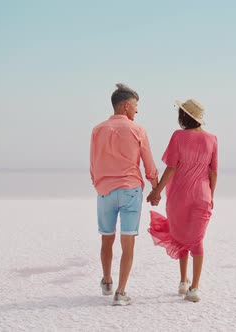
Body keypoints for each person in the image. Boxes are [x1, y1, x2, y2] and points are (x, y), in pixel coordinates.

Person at [90, 83, 158, 306]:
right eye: (136, 106)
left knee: (106, 239)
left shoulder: (98, 129)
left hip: (104, 192)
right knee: (128, 241)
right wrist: (156, 189)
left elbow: (93, 163)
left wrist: (98, 184)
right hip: (130, 190)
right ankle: (121, 292)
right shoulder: (138, 130)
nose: (137, 111)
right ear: (127, 106)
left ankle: (107, 281)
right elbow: (149, 164)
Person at [147, 99, 218, 303]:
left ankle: (183, 281)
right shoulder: (212, 139)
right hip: (202, 196)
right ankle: (194, 287)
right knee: (196, 239)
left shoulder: (178, 136)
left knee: (181, 237)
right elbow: (214, 172)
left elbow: (171, 168)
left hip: (178, 196)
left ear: (184, 116)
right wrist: (210, 196)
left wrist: (156, 192)